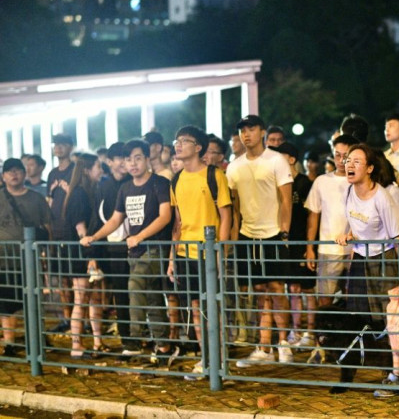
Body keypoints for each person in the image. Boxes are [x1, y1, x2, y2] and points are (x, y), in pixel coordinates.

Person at [81, 140, 178, 364]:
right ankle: (163, 347)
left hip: (155, 248)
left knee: (134, 285)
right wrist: (94, 237)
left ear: (146, 159)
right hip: (133, 251)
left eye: (137, 158)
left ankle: (135, 335)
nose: (132, 163)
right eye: (128, 159)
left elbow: (165, 216)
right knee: (153, 300)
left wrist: (140, 236)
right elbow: (116, 219)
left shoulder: (160, 183)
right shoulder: (125, 188)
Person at [336, 143, 399, 398]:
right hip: (359, 259)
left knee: (390, 318)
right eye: (348, 159)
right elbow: (355, 223)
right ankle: (372, 370)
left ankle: (398, 376)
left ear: (369, 168)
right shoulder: (348, 191)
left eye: (357, 161)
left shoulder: (382, 196)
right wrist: (348, 236)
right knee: (360, 316)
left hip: (385, 260)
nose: (350, 164)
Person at [227, 115, 293, 367]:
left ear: (262, 131)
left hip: (274, 233)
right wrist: (233, 241)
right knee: (258, 292)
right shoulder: (234, 166)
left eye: (251, 129)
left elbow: (286, 200)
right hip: (247, 235)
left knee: (277, 289)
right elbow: (234, 209)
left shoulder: (276, 160)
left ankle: (283, 343)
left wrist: (284, 232)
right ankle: (264, 346)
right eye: (242, 130)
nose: (246, 134)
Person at [168, 125, 232, 379]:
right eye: (177, 140)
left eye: (184, 141)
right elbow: (178, 222)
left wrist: (219, 250)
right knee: (195, 307)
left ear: (198, 148)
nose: (178, 144)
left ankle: (218, 360)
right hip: (185, 253)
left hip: (208, 251)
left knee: (212, 307)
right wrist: (172, 259)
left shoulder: (214, 175)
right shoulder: (176, 179)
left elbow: (225, 215)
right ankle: (205, 359)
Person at [0, 159, 51, 356]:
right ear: (3, 177)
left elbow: (47, 227)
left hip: (30, 260)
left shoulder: (36, 199)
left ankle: (37, 339)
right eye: (9, 172)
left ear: (24, 174)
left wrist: (47, 254)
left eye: (18, 171)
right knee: (6, 305)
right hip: (3, 261)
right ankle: (10, 343)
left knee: (33, 301)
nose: (14, 175)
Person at [86, 142, 133, 349]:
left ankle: (147, 335)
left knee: (143, 291)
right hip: (112, 247)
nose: (124, 163)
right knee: (120, 293)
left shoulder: (136, 181)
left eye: (127, 158)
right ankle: (127, 338)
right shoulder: (103, 186)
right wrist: (93, 251)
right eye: (119, 158)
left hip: (136, 244)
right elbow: (97, 216)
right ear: (109, 162)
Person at [304, 134, 358, 306]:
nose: (341, 160)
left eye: (346, 155)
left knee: (354, 298)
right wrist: (310, 248)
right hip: (327, 249)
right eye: (337, 155)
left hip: (355, 250)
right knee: (325, 299)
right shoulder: (322, 181)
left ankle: (351, 332)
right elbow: (313, 217)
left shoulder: (359, 182)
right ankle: (325, 333)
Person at [62, 153, 105, 359]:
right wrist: (90, 257)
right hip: (82, 254)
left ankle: (97, 341)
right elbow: (81, 230)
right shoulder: (79, 194)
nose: (101, 171)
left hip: (87, 251)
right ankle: (76, 344)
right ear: (87, 170)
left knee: (93, 297)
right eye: (98, 167)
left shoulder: (86, 192)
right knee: (81, 298)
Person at [274, 142, 317, 349]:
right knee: (292, 288)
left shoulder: (304, 183)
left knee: (308, 289)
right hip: (286, 244)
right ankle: (296, 330)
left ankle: (311, 330)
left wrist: (309, 246)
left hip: (302, 242)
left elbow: (311, 217)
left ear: (291, 159)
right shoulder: (278, 184)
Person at [46, 133, 75, 333]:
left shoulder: (76, 171)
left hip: (73, 231)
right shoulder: (52, 174)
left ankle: (80, 320)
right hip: (55, 232)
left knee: (77, 278)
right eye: (56, 144)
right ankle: (67, 318)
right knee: (62, 278)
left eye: (63, 144)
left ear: (70, 147)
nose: (58, 147)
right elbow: (49, 200)